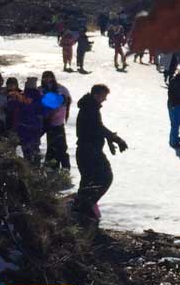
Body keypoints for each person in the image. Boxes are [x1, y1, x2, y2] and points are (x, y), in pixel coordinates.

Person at [72, 84, 127, 222]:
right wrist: (114, 138)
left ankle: (82, 209)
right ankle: (84, 208)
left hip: (89, 150)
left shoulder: (90, 107)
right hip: (89, 151)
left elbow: (96, 128)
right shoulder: (90, 108)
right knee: (105, 177)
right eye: (104, 96)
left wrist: (110, 139)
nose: (105, 99)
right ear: (97, 95)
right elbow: (97, 128)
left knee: (90, 181)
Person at [40, 71, 72, 170]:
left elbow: (67, 101)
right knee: (52, 146)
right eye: (45, 77)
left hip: (57, 122)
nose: (48, 79)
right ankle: (52, 167)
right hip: (46, 122)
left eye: (49, 77)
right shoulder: (40, 90)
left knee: (61, 146)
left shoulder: (61, 89)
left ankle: (64, 167)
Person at [167, 71, 180, 148]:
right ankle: (173, 142)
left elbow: (170, 93)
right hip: (177, 105)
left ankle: (173, 139)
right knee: (176, 124)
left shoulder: (173, 81)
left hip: (172, 104)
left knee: (174, 124)